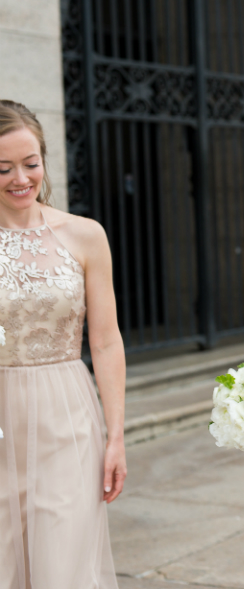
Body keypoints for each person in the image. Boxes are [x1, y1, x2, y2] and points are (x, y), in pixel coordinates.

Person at [0, 100, 125, 588]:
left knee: (64, 565)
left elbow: (108, 341)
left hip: (67, 416)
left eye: (30, 164)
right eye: (3, 168)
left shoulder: (85, 235)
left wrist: (115, 435)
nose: (20, 179)